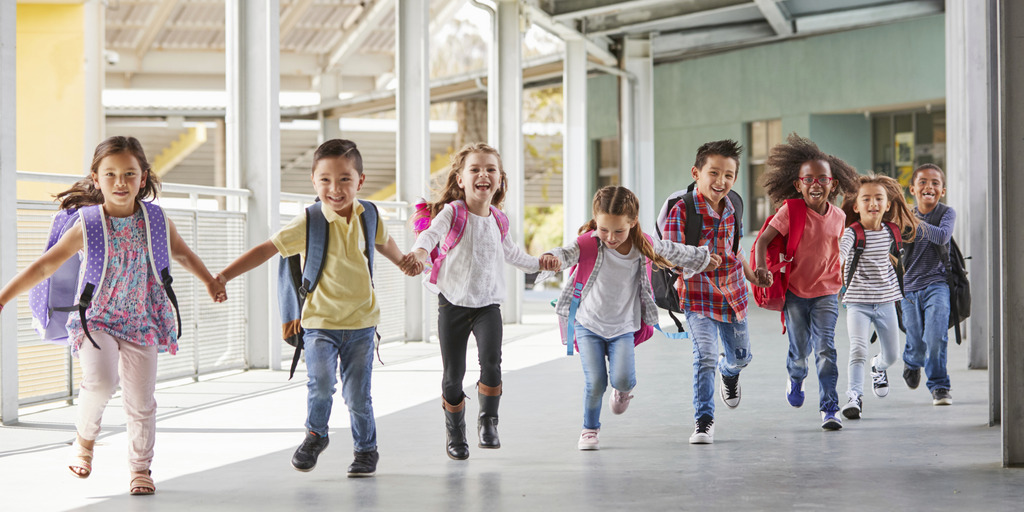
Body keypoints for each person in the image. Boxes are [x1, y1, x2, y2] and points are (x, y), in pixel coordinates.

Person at [0, 136, 226, 495]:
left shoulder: (155, 219)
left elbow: (181, 253)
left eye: (129, 174)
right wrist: (3, 298)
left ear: (143, 177)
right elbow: (45, 266)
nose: (120, 183)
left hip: (142, 320)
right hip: (95, 320)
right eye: (111, 175)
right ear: (96, 178)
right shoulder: (88, 224)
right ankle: (84, 440)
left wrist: (210, 281)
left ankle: (140, 469)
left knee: (141, 401)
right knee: (102, 382)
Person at [216, 139, 409, 477]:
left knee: (357, 395)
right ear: (314, 180)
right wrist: (224, 276)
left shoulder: (371, 214)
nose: (335, 188)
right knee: (320, 384)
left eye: (345, 179)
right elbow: (266, 249)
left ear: (360, 181)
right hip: (319, 324)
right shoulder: (309, 221)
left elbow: (384, 242)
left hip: (363, 323)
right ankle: (316, 434)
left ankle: (366, 450)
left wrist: (405, 262)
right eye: (325, 180)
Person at [402, 143, 555, 460]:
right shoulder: (453, 212)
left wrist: (540, 262)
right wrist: (418, 252)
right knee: (452, 376)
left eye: (490, 169)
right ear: (460, 179)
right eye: (474, 169)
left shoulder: (500, 219)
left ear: (500, 180)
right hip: (453, 304)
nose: (483, 174)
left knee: (492, 364)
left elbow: (512, 254)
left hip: (488, 306)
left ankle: (488, 421)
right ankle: (455, 433)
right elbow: (430, 235)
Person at [546, 186, 719, 450]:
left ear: (633, 222)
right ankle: (589, 429)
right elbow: (565, 253)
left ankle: (623, 390)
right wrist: (550, 259)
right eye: (604, 229)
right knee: (595, 382)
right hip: (588, 323)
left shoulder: (642, 245)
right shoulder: (588, 243)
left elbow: (674, 251)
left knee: (624, 378)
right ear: (595, 220)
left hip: (623, 327)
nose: (611, 237)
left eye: (618, 230)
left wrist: (703, 258)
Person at [662, 140, 766, 444]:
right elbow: (668, 253)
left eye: (729, 175)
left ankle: (730, 372)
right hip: (697, 295)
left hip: (733, 293)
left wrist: (754, 276)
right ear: (697, 172)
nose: (721, 181)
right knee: (704, 355)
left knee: (741, 358)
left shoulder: (734, 204)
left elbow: (735, 250)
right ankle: (703, 420)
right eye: (714, 173)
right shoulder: (682, 209)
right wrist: (701, 261)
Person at [753, 134, 859, 431]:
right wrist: (762, 268)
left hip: (827, 292)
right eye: (808, 179)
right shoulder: (791, 211)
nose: (815, 184)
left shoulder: (839, 216)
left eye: (822, 179)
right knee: (800, 352)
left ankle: (829, 408)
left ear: (832, 184)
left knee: (826, 349)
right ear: (799, 185)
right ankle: (796, 377)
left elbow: (841, 250)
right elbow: (762, 241)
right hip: (796, 293)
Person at [838, 174, 918, 419]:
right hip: (857, 303)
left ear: (887, 205)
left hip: (886, 302)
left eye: (878, 198)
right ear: (856, 206)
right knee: (857, 349)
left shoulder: (892, 231)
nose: (873, 203)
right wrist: (836, 263)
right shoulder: (852, 233)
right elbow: (841, 250)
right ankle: (853, 397)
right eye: (866, 199)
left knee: (892, 355)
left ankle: (878, 366)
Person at [900, 164, 956, 405]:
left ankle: (939, 385)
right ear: (913, 189)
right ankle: (912, 361)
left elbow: (942, 236)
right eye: (922, 182)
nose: (929, 187)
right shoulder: (904, 215)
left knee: (935, 336)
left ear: (942, 190)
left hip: (938, 284)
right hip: (909, 287)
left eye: (935, 183)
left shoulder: (946, 213)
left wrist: (914, 221)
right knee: (915, 337)